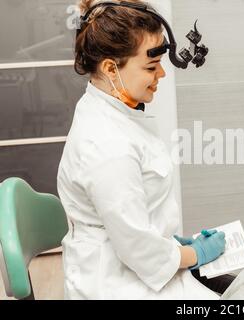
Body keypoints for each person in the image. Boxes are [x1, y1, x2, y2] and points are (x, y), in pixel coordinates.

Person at [57, 0, 229, 299]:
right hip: (119, 284)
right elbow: (140, 252)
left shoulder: (109, 109)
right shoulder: (106, 145)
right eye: (151, 66)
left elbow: (134, 216)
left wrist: (174, 243)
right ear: (111, 68)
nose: (161, 74)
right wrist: (196, 253)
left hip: (132, 261)